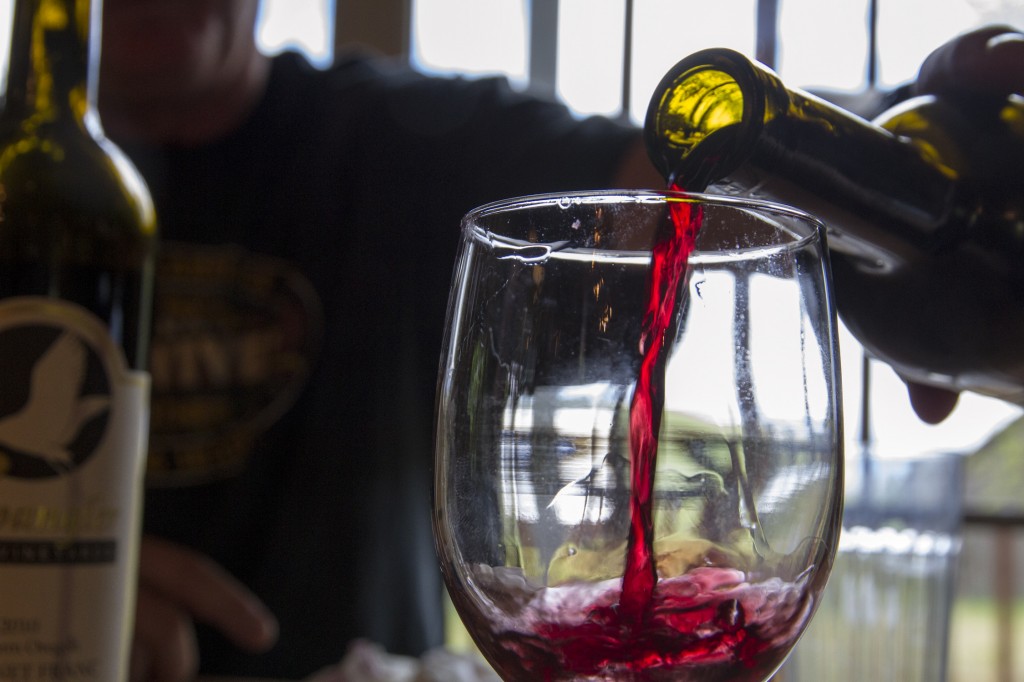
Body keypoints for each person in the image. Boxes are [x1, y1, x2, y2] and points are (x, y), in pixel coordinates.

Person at [94, 2, 1022, 678]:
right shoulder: (28, 187)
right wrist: (53, 576)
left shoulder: (393, 143)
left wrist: (901, 129)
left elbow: (671, 186)